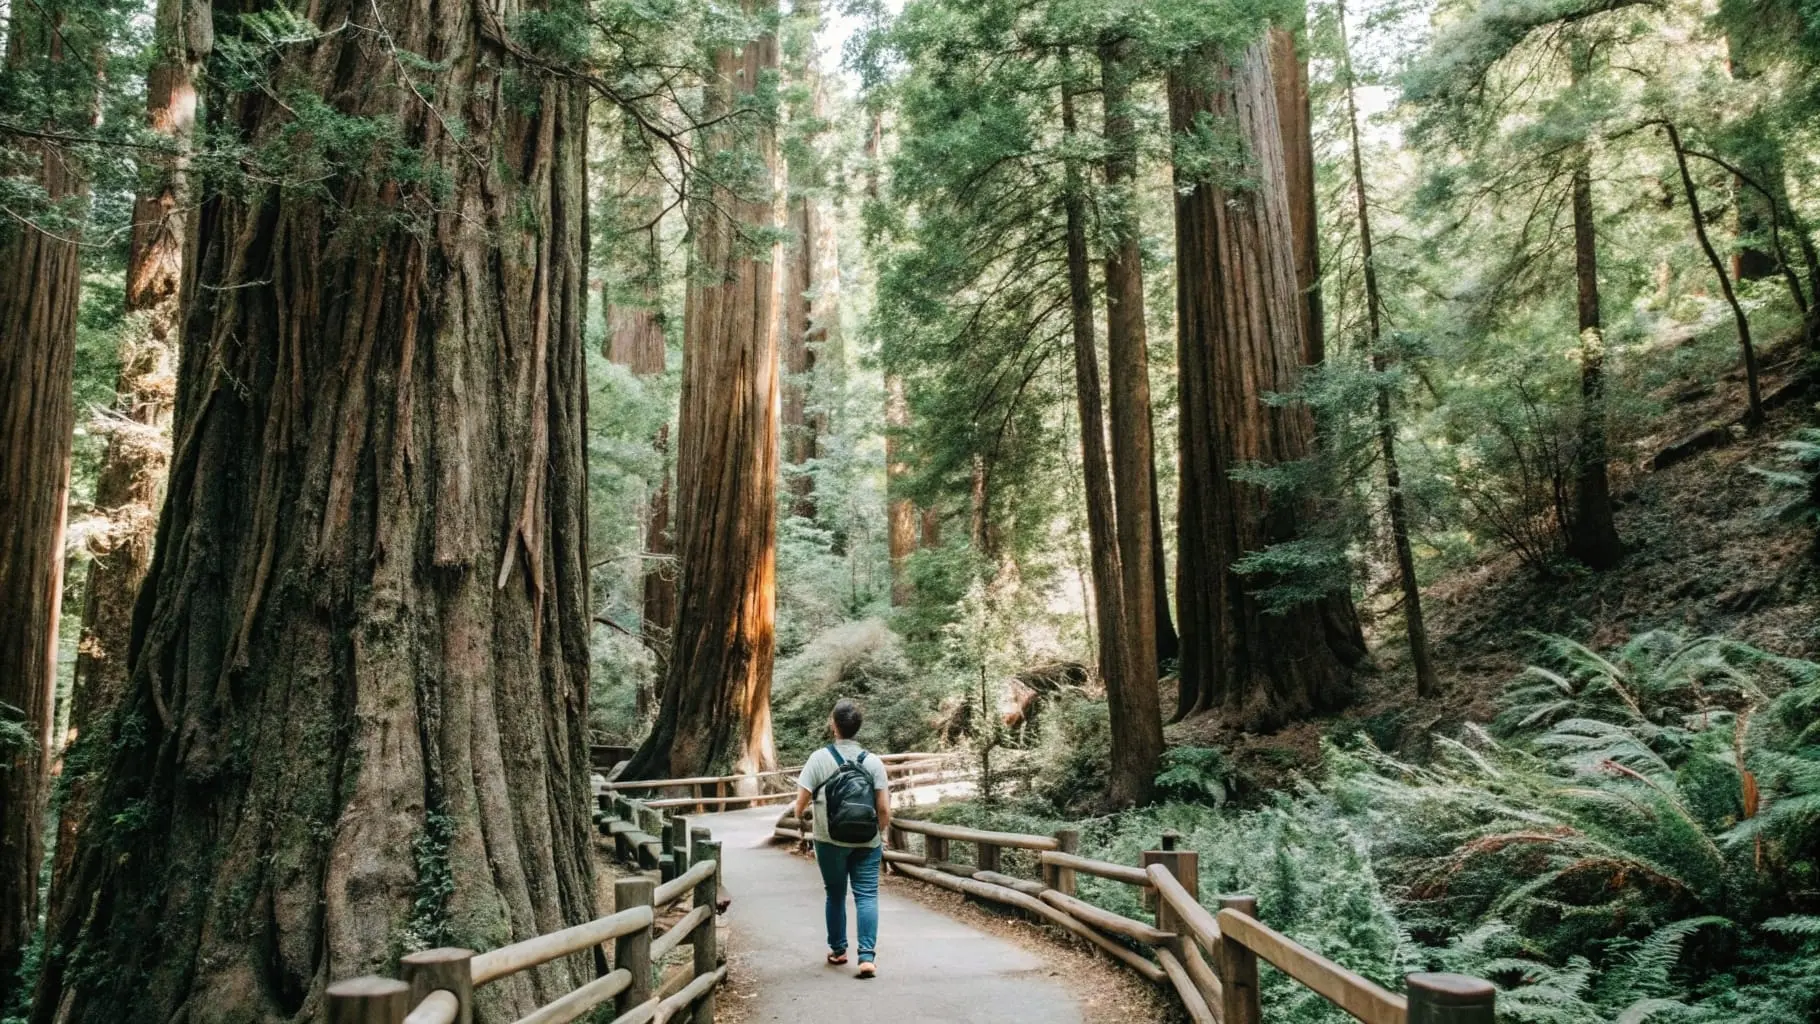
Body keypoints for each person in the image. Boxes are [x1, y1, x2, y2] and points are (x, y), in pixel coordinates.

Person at [792, 698, 892, 979]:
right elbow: (883, 809)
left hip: (829, 840)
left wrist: (807, 821)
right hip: (867, 842)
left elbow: (799, 805)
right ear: (858, 727)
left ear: (833, 725)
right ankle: (867, 958)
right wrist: (879, 835)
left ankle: (838, 950)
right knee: (867, 896)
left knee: (835, 894)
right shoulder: (873, 763)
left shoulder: (818, 758)